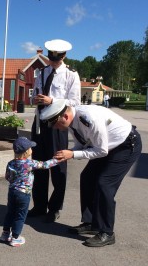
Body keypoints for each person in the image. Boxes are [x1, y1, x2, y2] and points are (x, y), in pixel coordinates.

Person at [40, 99, 142, 247]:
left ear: (65, 117)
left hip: (125, 146)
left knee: (104, 184)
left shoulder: (89, 119)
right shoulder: (72, 121)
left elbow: (101, 151)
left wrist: (72, 155)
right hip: (108, 147)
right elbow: (83, 144)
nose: (55, 128)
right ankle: (92, 223)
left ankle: (107, 233)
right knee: (87, 178)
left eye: (55, 123)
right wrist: (68, 153)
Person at [29, 39, 81, 222]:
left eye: (57, 60)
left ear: (64, 56)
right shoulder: (42, 72)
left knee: (58, 165)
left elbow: (75, 102)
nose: (53, 62)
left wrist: (53, 101)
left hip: (58, 123)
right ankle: (40, 205)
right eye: (51, 59)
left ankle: (55, 208)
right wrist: (35, 99)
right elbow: (34, 94)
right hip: (39, 123)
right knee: (39, 164)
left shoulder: (70, 75)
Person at [0, 137, 59, 247]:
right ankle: (15, 238)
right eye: (31, 148)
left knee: (10, 213)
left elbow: (7, 177)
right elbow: (45, 165)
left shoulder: (11, 163)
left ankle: (5, 233)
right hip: (23, 194)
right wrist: (57, 160)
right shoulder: (29, 163)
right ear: (27, 151)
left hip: (12, 192)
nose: (32, 149)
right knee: (20, 216)